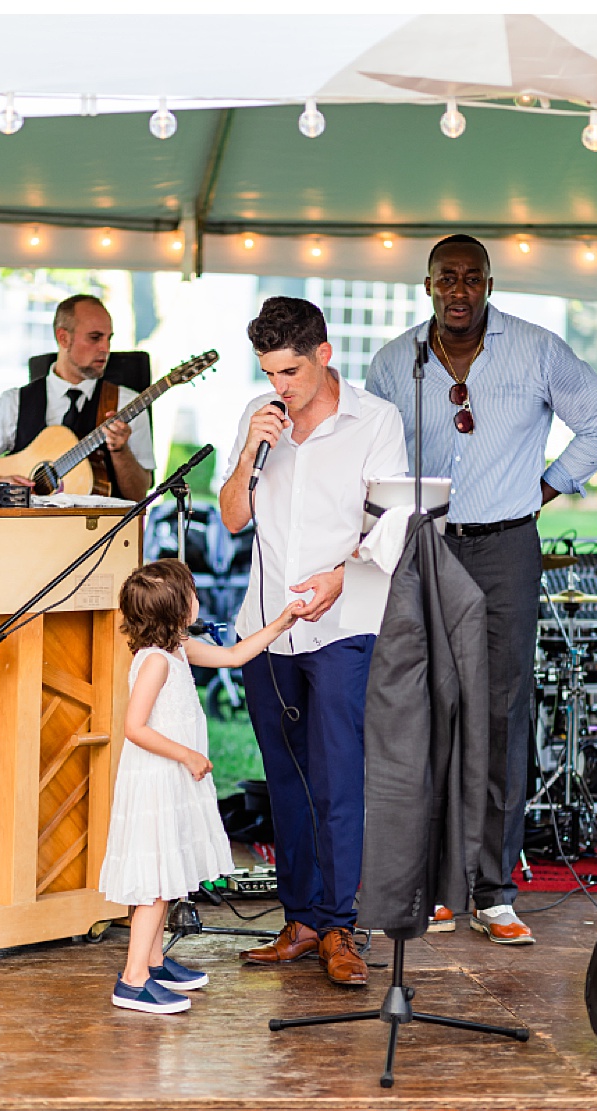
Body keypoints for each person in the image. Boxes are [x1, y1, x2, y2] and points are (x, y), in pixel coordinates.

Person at [366, 235, 597, 947]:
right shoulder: (395, 362)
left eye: (471, 278)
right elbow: (371, 454)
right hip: (422, 545)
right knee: (421, 708)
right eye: (446, 278)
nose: (459, 290)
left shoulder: (539, 350)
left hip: (506, 546)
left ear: (489, 283)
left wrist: (544, 487)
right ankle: (430, 885)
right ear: (426, 285)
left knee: (501, 713)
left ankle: (493, 889)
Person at [222, 296, 409, 986]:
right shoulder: (259, 417)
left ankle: (339, 927)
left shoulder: (376, 421)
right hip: (266, 626)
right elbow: (235, 517)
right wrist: (248, 450)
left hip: (342, 622)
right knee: (287, 780)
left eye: (292, 371)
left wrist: (340, 575)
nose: (282, 387)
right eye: (271, 373)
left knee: (336, 780)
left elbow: (392, 523)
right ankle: (298, 920)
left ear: (324, 354)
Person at [100, 558, 299, 1014]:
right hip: (157, 781)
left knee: (167, 876)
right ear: (173, 610)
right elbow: (134, 727)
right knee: (153, 884)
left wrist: (282, 623)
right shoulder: (154, 663)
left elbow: (232, 656)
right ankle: (132, 980)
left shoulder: (178, 648)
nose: (198, 599)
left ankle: (151, 960)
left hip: (173, 782)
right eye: (189, 594)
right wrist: (187, 754)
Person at [0, 294, 155, 500]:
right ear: (64, 338)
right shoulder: (15, 403)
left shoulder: (127, 405)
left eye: (109, 338)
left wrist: (120, 450)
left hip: (101, 535)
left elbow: (137, 495)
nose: (106, 348)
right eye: (95, 338)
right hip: (26, 533)